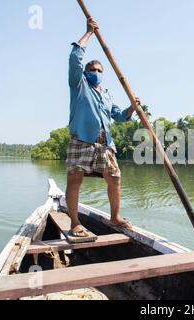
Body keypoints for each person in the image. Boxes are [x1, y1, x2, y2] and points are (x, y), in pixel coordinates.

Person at [66, 17, 138, 237]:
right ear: (86, 71)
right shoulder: (79, 85)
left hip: (105, 144)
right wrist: (88, 33)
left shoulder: (106, 95)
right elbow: (74, 59)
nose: (95, 71)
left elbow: (119, 116)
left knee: (114, 178)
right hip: (82, 140)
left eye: (98, 69)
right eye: (91, 68)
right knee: (75, 178)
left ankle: (115, 218)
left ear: (102, 74)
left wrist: (133, 108)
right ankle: (75, 223)